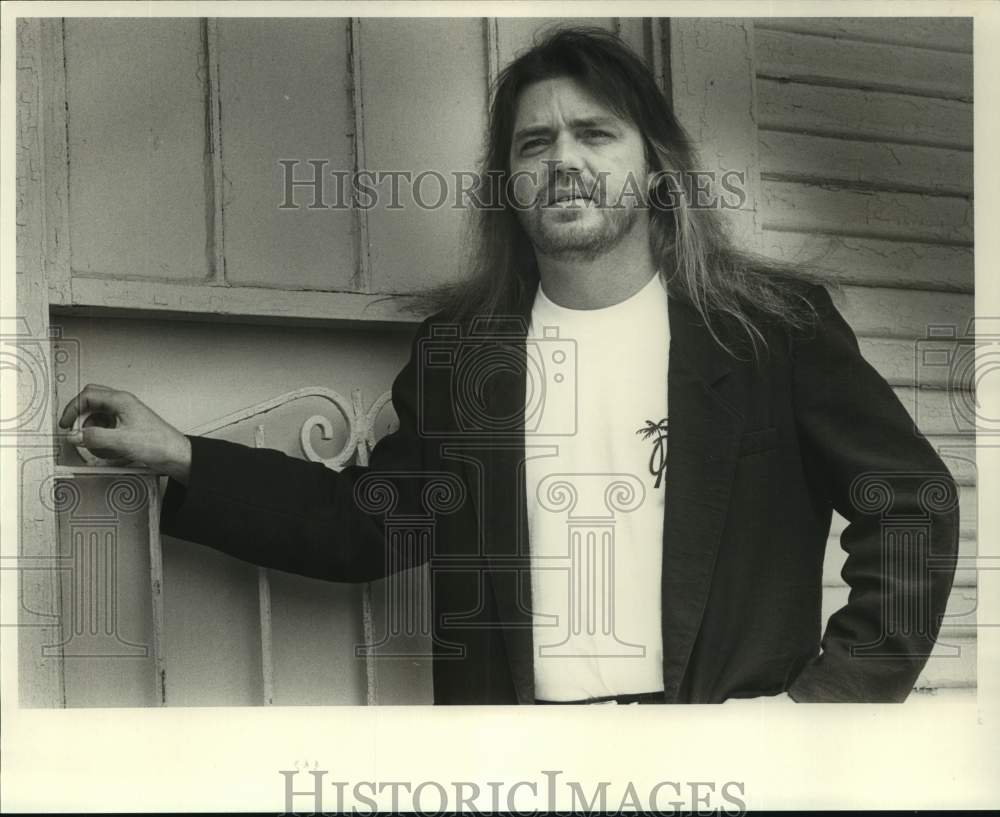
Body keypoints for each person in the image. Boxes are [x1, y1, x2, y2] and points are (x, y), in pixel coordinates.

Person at [59, 27, 959, 705]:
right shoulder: (465, 357)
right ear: (511, 184)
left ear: (655, 168)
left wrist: (827, 708)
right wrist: (183, 453)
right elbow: (364, 525)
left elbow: (910, 500)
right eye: (535, 144)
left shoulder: (769, 331)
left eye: (595, 134)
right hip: (517, 756)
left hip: (731, 749)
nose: (564, 158)